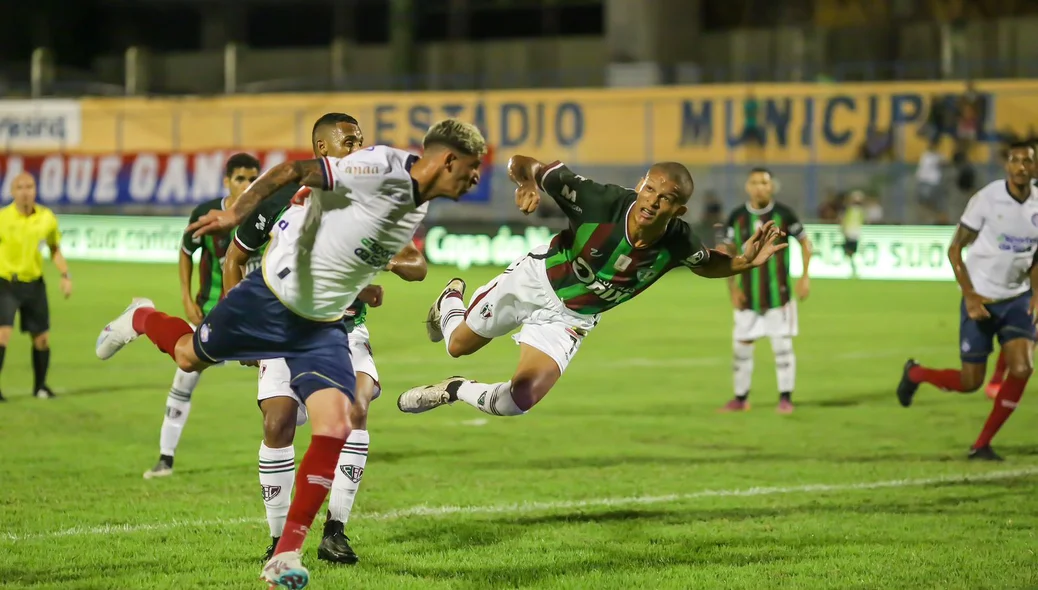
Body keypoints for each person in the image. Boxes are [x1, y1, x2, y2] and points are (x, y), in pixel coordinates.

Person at [95, 118, 485, 590]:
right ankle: (140, 316)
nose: (476, 177)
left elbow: (358, 243)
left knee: (338, 424)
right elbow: (290, 172)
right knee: (187, 355)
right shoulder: (380, 168)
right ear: (448, 160)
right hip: (271, 298)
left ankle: (285, 555)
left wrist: (362, 290)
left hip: (322, 324)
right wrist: (235, 212)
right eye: (472, 167)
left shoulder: (417, 202)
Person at [396, 157, 787, 420]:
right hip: (536, 282)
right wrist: (527, 181)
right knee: (456, 345)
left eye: (667, 199)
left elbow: (706, 263)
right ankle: (449, 298)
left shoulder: (679, 241)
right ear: (640, 185)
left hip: (572, 318)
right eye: (650, 189)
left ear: (678, 210)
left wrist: (744, 262)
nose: (653, 201)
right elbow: (524, 162)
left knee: (520, 401)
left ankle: (456, 389)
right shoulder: (598, 201)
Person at [221, 114, 427, 564]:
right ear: (322, 149)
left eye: (361, 141)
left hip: (345, 328)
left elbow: (418, 266)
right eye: (348, 142)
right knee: (277, 424)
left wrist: (384, 264)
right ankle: (279, 541)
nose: (358, 149)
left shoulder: (378, 200)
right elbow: (233, 258)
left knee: (357, 407)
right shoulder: (283, 199)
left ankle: (336, 529)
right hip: (283, 327)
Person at [896, 141, 1038, 461]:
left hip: (1017, 299)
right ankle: (917, 373)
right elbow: (954, 249)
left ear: (1034, 166)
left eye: (1027, 161)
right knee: (970, 382)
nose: (1021, 167)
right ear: (1007, 166)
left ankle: (982, 444)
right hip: (982, 297)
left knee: (1022, 367)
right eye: (1015, 160)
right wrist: (970, 295)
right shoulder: (987, 199)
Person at [143, 152, 261, 479]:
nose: (248, 185)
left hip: (257, 320)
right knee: (184, 378)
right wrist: (185, 293)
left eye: (254, 178)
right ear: (227, 181)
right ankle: (165, 458)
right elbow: (185, 250)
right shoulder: (207, 214)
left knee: (286, 382)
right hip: (211, 314)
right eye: (241, 178)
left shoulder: (268, 211)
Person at [719, 168, 812, 414]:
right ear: (747, 187)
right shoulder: (737, 217)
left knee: (782, 348)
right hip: (746, 295)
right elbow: (727, 254)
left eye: (764, 182)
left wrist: (805, 277)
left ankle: (785, 398)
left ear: (772, 187)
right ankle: (740, 399)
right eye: (755, 182)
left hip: (778, 295)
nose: (759, 187)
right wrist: (732, 290)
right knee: (741, 349)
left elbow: (805, 243)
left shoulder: (784, 214)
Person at [0, 172, 72, 401]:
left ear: (35, 189)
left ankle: (40, 387)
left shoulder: (46, 218)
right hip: (6, 284)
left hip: (34, 284)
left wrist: (65, 274)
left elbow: (54, 248)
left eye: (29, 186)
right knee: (2, 335)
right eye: (20, 187)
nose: (25, 191)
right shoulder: (3, 218)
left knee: (41, 339)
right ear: (12, 192)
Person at [840, 190, 865, 278]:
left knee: (850, 252)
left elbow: (844, 221)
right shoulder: (859, 211)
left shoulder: (850, 210)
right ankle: (853, 269)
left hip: (851, 233)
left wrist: (843, 229)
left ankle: (853, 269)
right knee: (851, 252)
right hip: (854, 234)